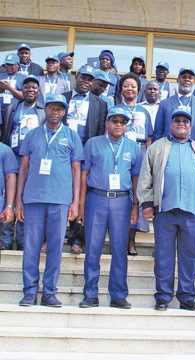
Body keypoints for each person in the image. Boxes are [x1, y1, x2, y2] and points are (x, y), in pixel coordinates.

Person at [137, 109, 195, 311]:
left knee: (189, 256)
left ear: (190, 126)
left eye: (185, 121)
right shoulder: (157, 148)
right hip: (165, 210)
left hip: (192, 212)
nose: (181, 124)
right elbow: (146, 177)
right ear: (171, 124)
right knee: (163, 255)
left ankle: (186, 296)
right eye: (177, 121)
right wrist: (147, 204)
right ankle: (163, 296)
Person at [17, 93, 83, 307]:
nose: (55, 112)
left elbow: (76, 171)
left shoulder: (72, 136)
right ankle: (29, 291)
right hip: (34, 198)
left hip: (60, 199)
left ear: (64, 112)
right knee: (31, 246)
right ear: (45, 109)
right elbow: (24, 168)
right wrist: (19, 201)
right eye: (52, 108)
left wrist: (75, 203)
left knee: (55, 246)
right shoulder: (32, 135)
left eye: (60, 109)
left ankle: (49, 292)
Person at [78, 107, 142, 309]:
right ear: (107, 123)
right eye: (115, 121)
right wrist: (80, 204)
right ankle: (90, 294)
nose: (118, 125)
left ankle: (118, 294)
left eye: (123, 122)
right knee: (93, 248)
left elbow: (136, 178)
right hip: (96, 198)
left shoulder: (133, 147)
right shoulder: (93, 143)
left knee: (119, 249)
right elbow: (83, 175)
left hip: (122, 201)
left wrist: (135, 206)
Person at [62, 65, 108, 254]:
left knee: (82, 196)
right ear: (76, 77)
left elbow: (99, 133)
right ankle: (53, 236)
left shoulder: (100, 104)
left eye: (90, 79)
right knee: (62, 193)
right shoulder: (63, 98)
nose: (86, 81)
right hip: (63, 153)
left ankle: (78, 238)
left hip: (86, 155)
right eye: (83, 77)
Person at [0, 76, 45, 251]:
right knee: (9, 196)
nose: (30, 90)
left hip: (32, 160)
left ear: (38, 91)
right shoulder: (13, 108)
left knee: (25, 198)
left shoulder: (42, 111)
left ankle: (22, 238)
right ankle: (6, 236)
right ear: (22, 90)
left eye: (34, 87)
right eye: (27, 87)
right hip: (13, 155)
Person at [115, 72, 153, 255]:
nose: (130, 89)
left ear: (139, 90)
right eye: (126, 86)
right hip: (121, 151)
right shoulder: (115, 109)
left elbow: (149, 139)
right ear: (121, 89)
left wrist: (149, 160)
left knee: (136, 195)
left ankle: (131, 240)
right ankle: (118, 238)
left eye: (133, 86)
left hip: (140, 152)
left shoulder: (143, 111)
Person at [154, 67, 195, 144]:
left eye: (190, 78)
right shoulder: (164, 104)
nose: (187, 79)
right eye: (183, 77)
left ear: (194, 81)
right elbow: (158, 132)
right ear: (177, 80)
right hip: (169, 149)